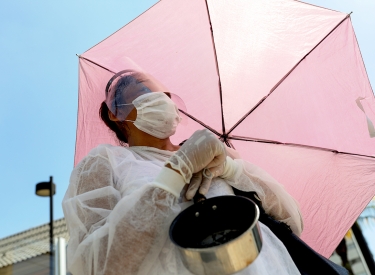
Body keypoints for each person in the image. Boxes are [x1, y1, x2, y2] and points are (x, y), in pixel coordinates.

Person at [62, 70, 304, 275]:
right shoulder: (105, 162)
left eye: (165, 95)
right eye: (145, 91)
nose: (161, 99)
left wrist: (229, 168)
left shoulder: (208, 150)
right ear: (116, 112)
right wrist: (176, 172)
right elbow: (99, 266)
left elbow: (292, 219)